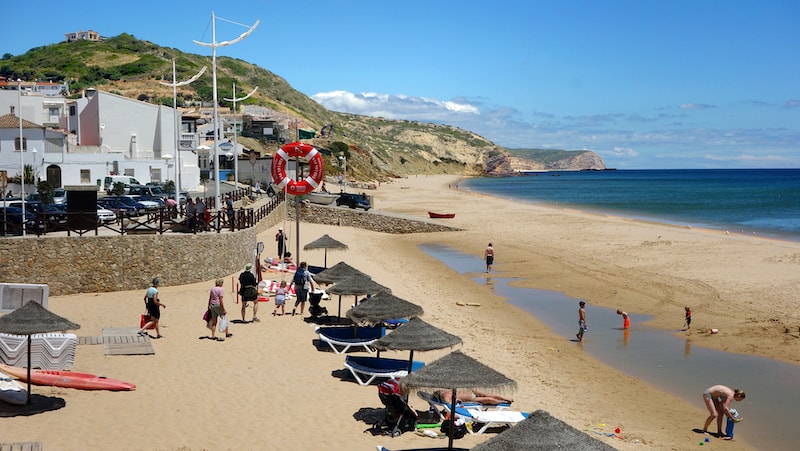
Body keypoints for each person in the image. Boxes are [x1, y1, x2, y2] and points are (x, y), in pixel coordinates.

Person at [434, 389, 514, 406]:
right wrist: (457, 400)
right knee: (488, 399)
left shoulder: (447, 390)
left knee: (490, 395)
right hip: (471, 399)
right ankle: (502, 402)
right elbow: (449, 404)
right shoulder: (445, 396)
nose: (442, 391)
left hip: (472, 391)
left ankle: (505, 398)